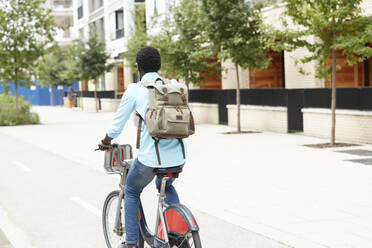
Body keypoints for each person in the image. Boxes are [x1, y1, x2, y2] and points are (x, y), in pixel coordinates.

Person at [98, 46, 186, 248]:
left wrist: (105, 142)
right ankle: (177, 234)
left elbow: (116, 125)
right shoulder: (172, 86)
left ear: (138, 66)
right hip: (178, 157)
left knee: (131, 190)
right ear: (159, 65)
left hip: (150, 158)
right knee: (166, 185)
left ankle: (131, 244)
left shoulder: (136, 89)